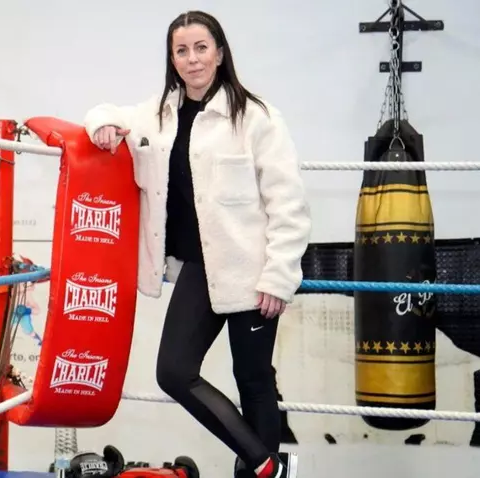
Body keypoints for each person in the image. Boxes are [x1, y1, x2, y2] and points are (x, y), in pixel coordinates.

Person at [84, 10, 311, 478]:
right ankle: (267, 463)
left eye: (201, 48)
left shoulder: (257, 117)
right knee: (173, 371)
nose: (193, 59)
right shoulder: (158, 115)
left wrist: (278, 277)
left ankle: (258, 470)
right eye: (182, 50)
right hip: (199, 269)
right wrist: (101, 125)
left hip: (253, 271)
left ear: (220, 53)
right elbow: (105, 114)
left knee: (254, 380)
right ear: (172, 59)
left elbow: (288, 204)